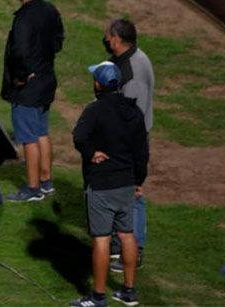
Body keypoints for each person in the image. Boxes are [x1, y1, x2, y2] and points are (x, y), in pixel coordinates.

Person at [70, 61, 148, 307]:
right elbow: (142, 152)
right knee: (127, 235)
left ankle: (98, 297)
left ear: (98, 84)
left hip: (102, 184)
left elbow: (79, 137)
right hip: (127, 183)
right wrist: (138, 180)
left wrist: (91, 152)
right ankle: (128, 291)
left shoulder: (95, 110)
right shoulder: (133, 111)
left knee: (102, 239)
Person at [2, 0, 64, 202]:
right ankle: (46, 181)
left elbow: (19, 52)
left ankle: (32, 188)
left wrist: (21, 75)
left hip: (28, 87)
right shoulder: (50, 10)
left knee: (28, 137)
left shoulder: (24, 18)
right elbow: (58, 41)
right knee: (41, 132)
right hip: (47, 79)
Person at [103, 18, 155, 273]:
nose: (105, 40)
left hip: (130, 144)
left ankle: (134, 250)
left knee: (132, 195)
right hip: (126, 140)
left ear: (117, 39)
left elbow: (131, 119)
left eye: (108, 36)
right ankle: (117, 244)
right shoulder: (133, 59)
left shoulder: (133, 73)